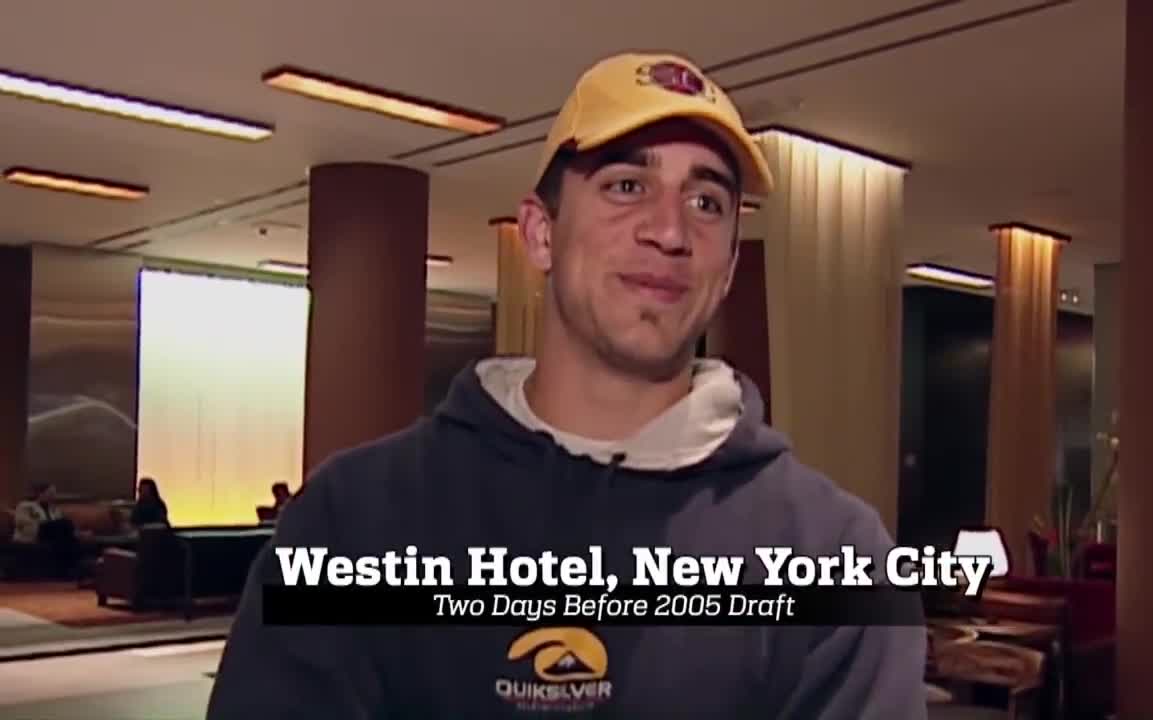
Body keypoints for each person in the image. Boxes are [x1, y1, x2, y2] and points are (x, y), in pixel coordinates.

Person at [208, 51, 926, 718]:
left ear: (730, 267)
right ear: (541, 234)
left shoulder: (835, 556)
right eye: (626, 186)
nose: (671, 231)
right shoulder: (354, 520)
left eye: (707, 203)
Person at [12, 482, 81, 578]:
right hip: (33, 532)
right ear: (41, 493)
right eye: (50, 493)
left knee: (66, 537)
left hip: (50, 535)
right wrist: (43, 523)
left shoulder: (54, 509)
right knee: (65, 523)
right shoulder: (25, 505)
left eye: (54, 493)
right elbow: (20, 522)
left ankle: (68, 570)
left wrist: (78, 533)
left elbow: (60, 526)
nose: (53, 495)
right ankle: (70, 570)